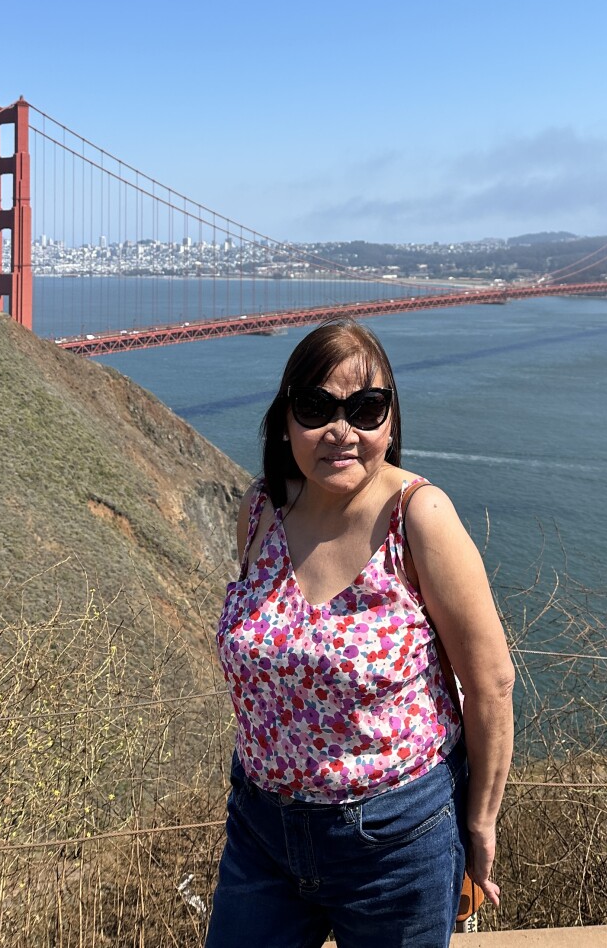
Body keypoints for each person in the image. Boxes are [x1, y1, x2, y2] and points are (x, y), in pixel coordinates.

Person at [206, 319, 515, 948]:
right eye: (317, 407)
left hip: (395, 841)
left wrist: (480, 822)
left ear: (391, 422)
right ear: (286, 418)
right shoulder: (260, 508)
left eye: (366, 409)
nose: (341, 431)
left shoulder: (419, 517)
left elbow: (491, 685)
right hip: (261, 829)